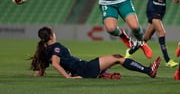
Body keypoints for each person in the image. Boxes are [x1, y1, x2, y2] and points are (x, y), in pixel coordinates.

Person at [29, 26, 161, 79]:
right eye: (54, 33)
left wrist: (35, 74)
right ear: (51, 36)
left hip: (83, 69)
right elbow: (56, 63)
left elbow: (42, 70)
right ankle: (149, 71)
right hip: (85, 69)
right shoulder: (55, 47)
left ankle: (104, 75)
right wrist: (68, 78)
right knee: (118, 58)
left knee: (113, 61)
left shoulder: (46, 50)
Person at [126, 0, 179, 68]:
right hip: (152, 9)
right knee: (162, 33)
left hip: (161, 11)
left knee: (146, 38)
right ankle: (168, 60)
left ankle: (130, 52)